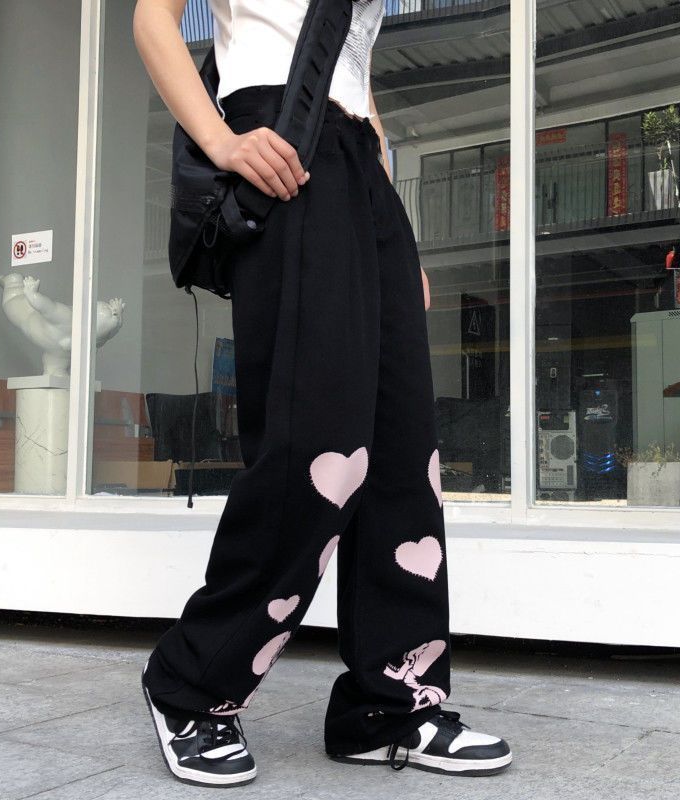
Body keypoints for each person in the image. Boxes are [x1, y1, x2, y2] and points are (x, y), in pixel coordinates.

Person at [133, 0, 512, 787]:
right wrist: (220, 141)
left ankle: (391, 701)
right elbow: (153, 18)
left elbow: (355, 74)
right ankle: (192, 682)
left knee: (403, 451)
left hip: (360, 165)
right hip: (282, 145)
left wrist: (393, 232)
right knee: (317, 445)